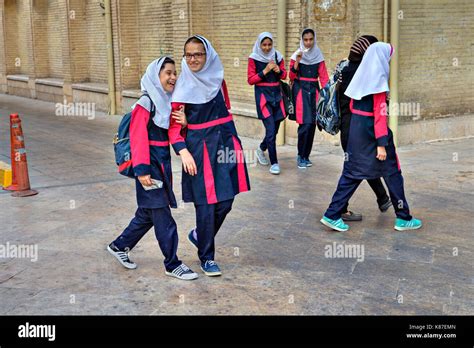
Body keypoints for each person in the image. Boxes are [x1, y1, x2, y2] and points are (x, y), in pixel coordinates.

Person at [107, 57, 198, 280]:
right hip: (149, 167)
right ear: (155, 76)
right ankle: (172, 263)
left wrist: (184, 124)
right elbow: (138, 138)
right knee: (162, 215)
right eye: (167, 73)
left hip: (161, 164)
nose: (173, 77)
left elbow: (171, 132)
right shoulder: (146, 103)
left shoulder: (165, 102)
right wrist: (142, 170)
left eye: (175, 73)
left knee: (148, 213)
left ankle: (120, 245)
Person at [169, 35, 251, 276]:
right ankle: (207, 258)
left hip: (225, 144)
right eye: (189, 55)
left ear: (208, 55)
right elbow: (174, 128)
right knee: (205, 206)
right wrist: (183, 151)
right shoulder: (182, 87)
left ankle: (199, 235)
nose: (194, 59)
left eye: (199, 54)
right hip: (198, 149)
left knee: (226, 201)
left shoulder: (218, 80)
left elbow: (225, 111)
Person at [320, 42, 422, 232]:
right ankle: (403, 217)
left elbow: (351, 107)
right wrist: (381, 144)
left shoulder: (360, 79)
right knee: (393, 173)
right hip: (373, 137)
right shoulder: (378, 83)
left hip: (356, 134)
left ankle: (332, 214)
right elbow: (380, 116)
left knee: (351, 174)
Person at [336, 35, 392, 222]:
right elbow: (377, 107)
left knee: (359, 167)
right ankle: (336, 211)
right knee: (354, 171)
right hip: (358, 130)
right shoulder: (365, 71)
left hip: (349, 128)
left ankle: (383, 199)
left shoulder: (345, 68)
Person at [247, 32, 287, 175]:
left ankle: (261, 149)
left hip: (277, 96)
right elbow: (250, 80)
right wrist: (265, 70)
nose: (267, 47)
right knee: (271, 130)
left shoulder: (277, 56)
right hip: (263, 97)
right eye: (264, 45)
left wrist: (278, 70)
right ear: (259, 44)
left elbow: (284, 75)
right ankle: (275, 163)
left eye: (269, 44)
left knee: (274, 130)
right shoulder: (253, 58)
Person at [289, 28, 329, 169]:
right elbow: (291, 77)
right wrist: (297, 62)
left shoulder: (318, 55)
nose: (308, 42)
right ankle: (300, 156)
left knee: (312, 124)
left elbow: (323, 77)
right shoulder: (296, 55)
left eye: (311, 39)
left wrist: (327, 94)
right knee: (304, 124)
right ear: (302, 40)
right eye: (305, 40)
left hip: (314, 90)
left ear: (314, 39)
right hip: (300, 91)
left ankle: (306, 156)